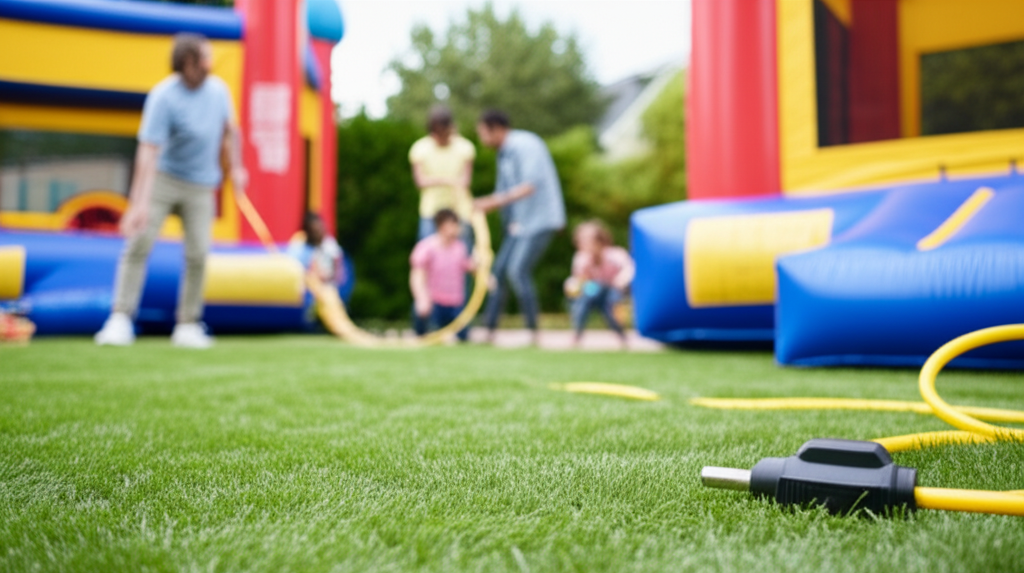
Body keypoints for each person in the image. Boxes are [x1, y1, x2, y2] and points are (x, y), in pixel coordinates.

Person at [94, 33, 246, 349]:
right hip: (164, 179)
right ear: (188, 63)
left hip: (202, 184)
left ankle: (188, 325)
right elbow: (148, 152)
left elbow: (231, 133)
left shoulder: (219, 91)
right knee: (139, 242)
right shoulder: (164, 97)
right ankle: (120, 319)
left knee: (198, 254)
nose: (211, 61)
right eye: (205, 56)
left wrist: (238, 170)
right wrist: (138, 203)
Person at [474, 109, 566, 346]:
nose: (482, 140)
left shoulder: (526, 145)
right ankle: (489, 331)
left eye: (483, 134)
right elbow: (503, 191)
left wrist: (494, 202)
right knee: (499, 272)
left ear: (495, 129)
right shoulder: (503, 155)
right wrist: (484, 203)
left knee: (517, 271)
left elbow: (529, 186)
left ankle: (532, 332)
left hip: (540, 220)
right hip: (520, 225)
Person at [408, 105, 476, 240]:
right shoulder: (419, 148)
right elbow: (420, 182)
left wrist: (435, 180)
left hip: (460, 211)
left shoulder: (465, 147)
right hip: (431, 211)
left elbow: (466, 181)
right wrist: (449, 180)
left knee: (462, 255)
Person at [565, 220, 635, 349]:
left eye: (587, 240)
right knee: (582, 302)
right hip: (593, 290)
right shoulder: (581, 258)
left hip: (613, 289)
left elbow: (628, 269)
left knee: (612, 310)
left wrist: (620, 280)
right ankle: (577, 335)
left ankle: (622, 336)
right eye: (581, 241)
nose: (583, 244)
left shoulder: (615, 254)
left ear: (600, 241)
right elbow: (578, 279)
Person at [410, 209, 476, 342]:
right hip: (434, 303)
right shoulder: (426, 247)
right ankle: (420, 337)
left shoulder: (460, 247)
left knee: (464, 338)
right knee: (421, 315)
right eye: (454, 224)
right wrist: (421, 298)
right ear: (443, 226)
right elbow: (417, 276)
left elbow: (468, 267)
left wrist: (478, 264)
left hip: (455, 305)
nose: (458, 228)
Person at [287, 212, 345, 286]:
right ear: (307, 232)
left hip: (326, 285)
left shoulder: (329, 244)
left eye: (319, 228)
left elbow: (339, 271)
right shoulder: (302, 246)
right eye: (314, 231)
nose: (318, 233)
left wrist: (331, 277)